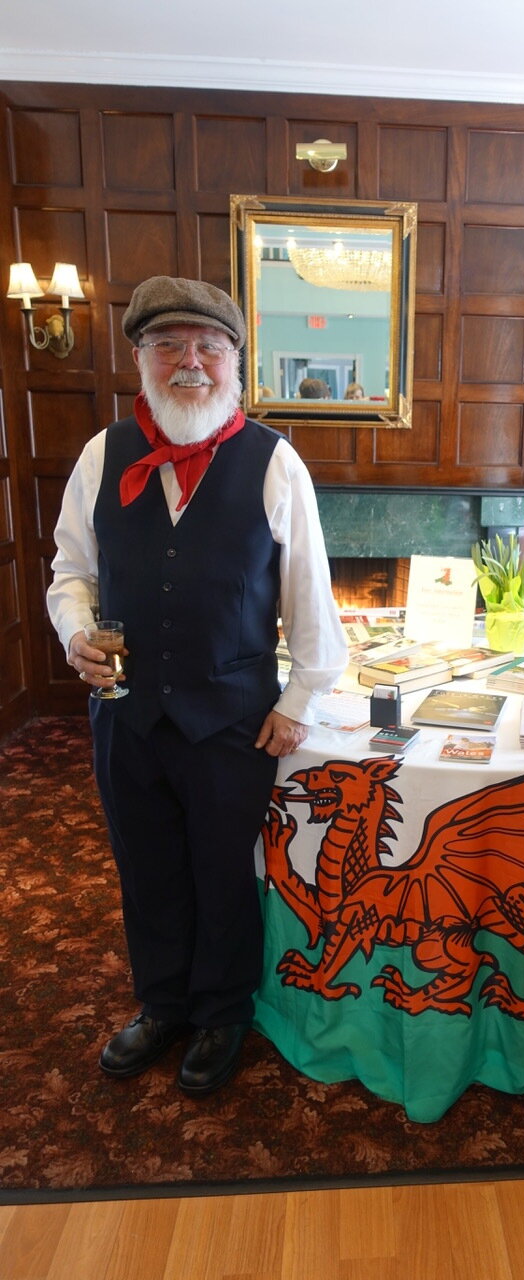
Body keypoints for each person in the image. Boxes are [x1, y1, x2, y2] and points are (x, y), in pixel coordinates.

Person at [47, 276, 348, 1096]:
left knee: (222, 868)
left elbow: (308, 595)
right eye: (169, 346)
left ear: (234, 362)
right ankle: (162, 1003)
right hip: (126, 715)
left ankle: (221, 1012)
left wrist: (298, 701)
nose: (190, 363)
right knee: (144, 866)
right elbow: (69, 571)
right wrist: (76, 631)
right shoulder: (100, 456)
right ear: (140, 358)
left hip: (231, 715)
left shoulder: (272, 460)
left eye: (208, 347)